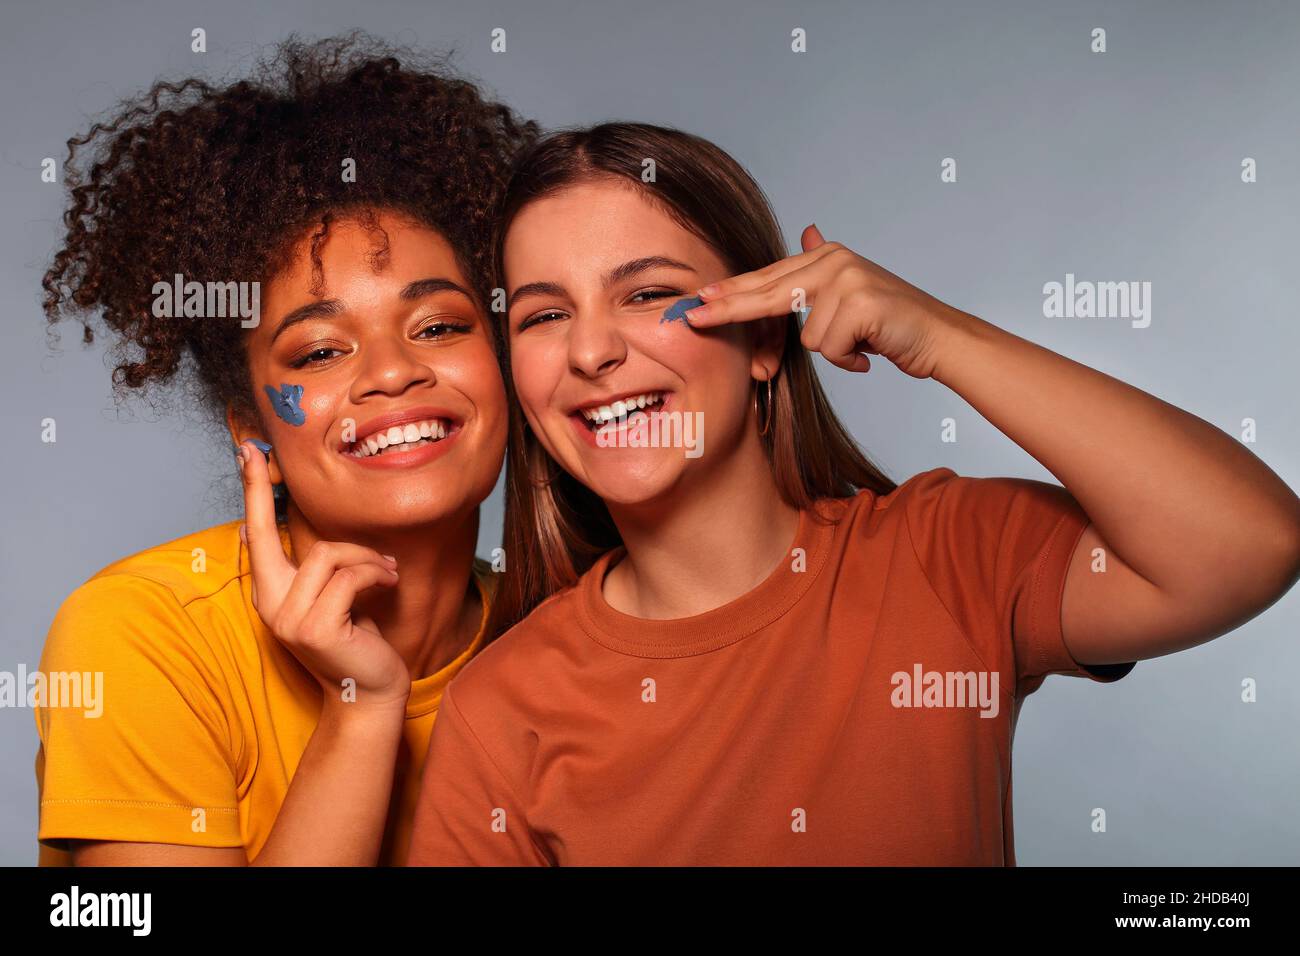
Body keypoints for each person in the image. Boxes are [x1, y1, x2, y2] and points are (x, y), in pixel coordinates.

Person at [408, 122, 1300, 865]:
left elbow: (1252, 543)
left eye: (648, 294)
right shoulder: (502, 711)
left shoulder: (946, 556)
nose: (592, 352)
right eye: (544, 314)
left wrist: (939, 336)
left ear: (764, 340)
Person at [35, 35, 538, 866]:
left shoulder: (562, 624)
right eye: (319, 352)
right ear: (250, 426)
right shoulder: (141, 633)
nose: (392, 373)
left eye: (440, 326)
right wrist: (363, 706)